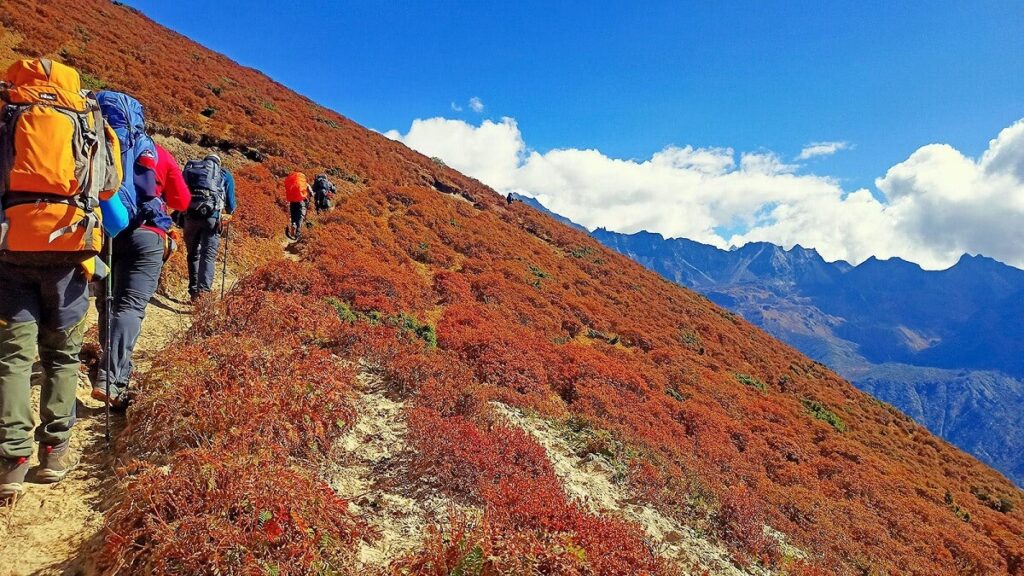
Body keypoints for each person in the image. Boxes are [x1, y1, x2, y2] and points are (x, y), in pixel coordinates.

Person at [0, 59, 122, 497]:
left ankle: (11, 459)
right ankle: (54, 452)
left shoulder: (7, 106)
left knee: (12, 358)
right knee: (62, 355)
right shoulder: (88, 114)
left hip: (10, 245)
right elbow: (109, 185)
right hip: (70, 246)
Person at [182, 155, 236, 300]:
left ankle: (193, 292)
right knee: (208, 256)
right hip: (211, 218)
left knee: (193, 254)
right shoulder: (224, 173)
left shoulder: (192, 169)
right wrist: (229, 213)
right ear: (218, 163)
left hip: (190, 217)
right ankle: (203, 294)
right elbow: (231, 204)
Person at [284, 171, 311, 240]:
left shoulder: (292, 184)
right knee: (300, 217)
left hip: (292, 202)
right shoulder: (305, 184)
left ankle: (293, 224)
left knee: (294, 216)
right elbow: (311, 192)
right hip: (301, 202)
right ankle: (298, 234)